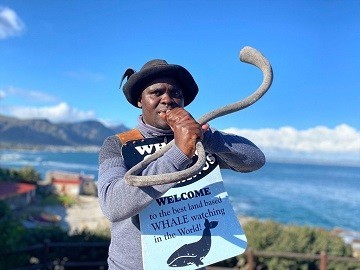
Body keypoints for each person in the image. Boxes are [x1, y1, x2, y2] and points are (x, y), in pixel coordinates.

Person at [97, 59, 265, 270]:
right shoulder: (118, 144)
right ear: (140, 100)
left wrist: (210, 139)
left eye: (175, 93)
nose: (167, 99)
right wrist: (179, 153)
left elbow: (255, 160)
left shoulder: (201, 139)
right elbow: (112, 204)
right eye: (156, 93)